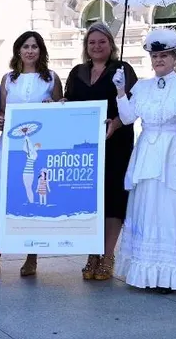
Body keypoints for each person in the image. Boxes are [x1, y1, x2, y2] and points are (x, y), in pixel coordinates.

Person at [113, 28, 176, 294]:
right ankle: (146, 270)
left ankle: (170, 273)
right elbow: (126, 118)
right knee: (147, 207)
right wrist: (121, 92)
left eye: (164, 56)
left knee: (171, 209)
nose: (159, 60)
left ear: (175, 57)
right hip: (147, 152)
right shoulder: (142, 87)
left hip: (175, 153)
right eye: (155, 56)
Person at [0, 31, 64, 281]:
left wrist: (54, 106)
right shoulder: (8, 79)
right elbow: (1, 112)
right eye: (26, 46)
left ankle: (31, 256)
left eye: (34, 46)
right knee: (1, 198)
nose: (30, 51)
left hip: (38, 148)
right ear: (18, 51)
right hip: (9, 147)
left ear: (41, 50)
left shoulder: (51, 79)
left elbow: (61, 108)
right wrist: (0, 120)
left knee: (30, 199)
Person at [63, 22, 137, 281]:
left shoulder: (123, 69)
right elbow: (70, 102)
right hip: (85, 147)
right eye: (92, 42)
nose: (96, 46)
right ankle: (92, 253)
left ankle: (107, 255)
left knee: (113, 200)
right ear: (86, 46)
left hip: (116, 144)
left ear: (111, 45)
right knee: (90, 199)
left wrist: (115, 123)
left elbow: (131, 107)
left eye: (101, 42)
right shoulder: (77, 72)